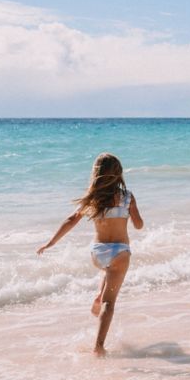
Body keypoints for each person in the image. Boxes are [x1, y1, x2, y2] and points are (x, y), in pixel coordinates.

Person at [37, 152, 144, 356]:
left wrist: (50, 243)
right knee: (109, 303)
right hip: (120, 252)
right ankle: (99, 346)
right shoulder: (127, 197)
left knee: (107, 271)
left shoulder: (92, 199)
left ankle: (98, 296)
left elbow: (70, 220)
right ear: (118, 173)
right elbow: (139, 225)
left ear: (96, 173)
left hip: (97, 253)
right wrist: (131, 215)